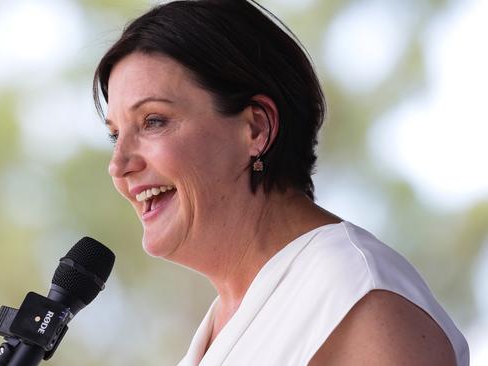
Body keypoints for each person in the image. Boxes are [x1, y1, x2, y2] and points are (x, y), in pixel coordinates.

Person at [93, 0, 470, 365]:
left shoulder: (358, 300)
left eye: (153, 121)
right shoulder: (227, 323)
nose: (119, 164)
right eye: (115, 135)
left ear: (256, 128)